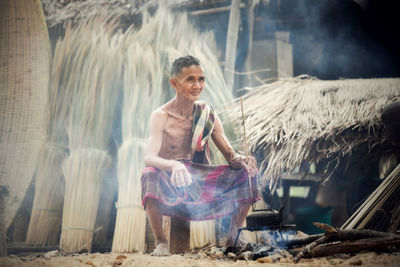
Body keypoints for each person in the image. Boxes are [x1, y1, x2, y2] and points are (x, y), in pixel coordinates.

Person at [141, 55, 260, 256]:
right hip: (171, 179)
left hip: (200, 178)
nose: (197, 85)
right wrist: (173, 165)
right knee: (149, 174)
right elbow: (149, 157)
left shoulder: (206, 113)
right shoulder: (160, 116)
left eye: (201, 79)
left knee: (249, 172)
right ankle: (161, 242)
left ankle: (233, 237)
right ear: (174, 83)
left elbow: (230, 157)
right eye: (190, 80)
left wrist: (242, 159)